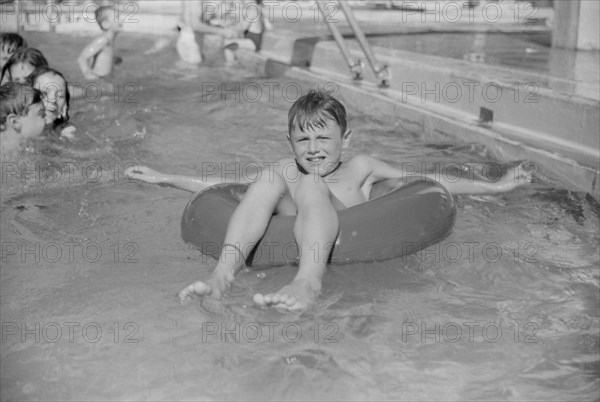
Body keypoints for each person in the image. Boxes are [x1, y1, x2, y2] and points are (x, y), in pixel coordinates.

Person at [126, 90, 533, 313]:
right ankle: (223, 274)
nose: (314, 149)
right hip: (296, 228)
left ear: (346, 140)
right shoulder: (289, 169)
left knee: (311, 186)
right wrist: (166, 178)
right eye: (303, 139)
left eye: (324, 138)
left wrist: (493, 186)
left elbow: (426, 182)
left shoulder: (361, 168)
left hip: (355, 250)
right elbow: (224, 187)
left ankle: (308, 280)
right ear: (290, 141)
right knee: (275, 174)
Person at [0, 82, 47, 159]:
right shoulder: (5, 156)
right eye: (42, 115)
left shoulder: (22, 147)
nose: (48, 119)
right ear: (15, 122)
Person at [28, 67, 76, 139]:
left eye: (60, 96)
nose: (52, 100)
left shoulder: (64, 133)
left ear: (64, 105)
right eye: (44, 93)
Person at [77, 6, 123, 80]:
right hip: (99, 80)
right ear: (106, 24)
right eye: (117, 18)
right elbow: (82, 58)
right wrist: (87, 73)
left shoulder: (110, 39)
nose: (122, 20)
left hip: (106, 78)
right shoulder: (103, 40)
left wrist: (113, 59)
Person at [221, 0, 271, 65]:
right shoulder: (258, 8)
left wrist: (226, 27)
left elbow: (242, 27)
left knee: (227, 44)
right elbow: (268, 27)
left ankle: (231, 67)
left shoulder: (253, 10)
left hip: (253, 42)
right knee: (231, 39)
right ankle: (234, 62)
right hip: (255, 41)